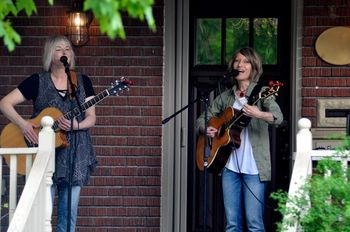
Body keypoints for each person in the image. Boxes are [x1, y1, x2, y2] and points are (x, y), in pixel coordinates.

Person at [0, 35, 97, 232]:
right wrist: (23, 125)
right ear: (49, 53)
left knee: (68, 216)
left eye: (68, 49)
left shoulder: (83, 81)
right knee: (40, 212)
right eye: (59, 49)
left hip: (75, 156)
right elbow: (4, 103)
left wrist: (75, 125)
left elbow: (91, 118)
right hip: (43, 154)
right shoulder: (37, 81)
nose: (65, 52)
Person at [196, 47, 283, 231]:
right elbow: (202, 120)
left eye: (245, 61)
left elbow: (278, 117)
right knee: (232, 225)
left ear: (253, 67)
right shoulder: (226, 96)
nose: (240, 65)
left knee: (254, 224)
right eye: (237, 61)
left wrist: (259, 113)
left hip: (254, 168)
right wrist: (209, 128)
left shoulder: (263, 92)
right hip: (229, 167)